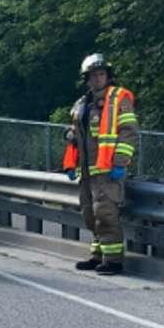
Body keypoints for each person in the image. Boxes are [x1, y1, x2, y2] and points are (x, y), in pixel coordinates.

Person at [62, 53, 138, 276]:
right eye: (93, 75)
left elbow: (129, 132)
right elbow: (76, 134)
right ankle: (98, 255)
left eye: (101, 74)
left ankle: (113, 260)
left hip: (108, 170)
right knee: (90, 214)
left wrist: (120, 162)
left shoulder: (118, 99)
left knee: (105, 214)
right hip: (87, 170)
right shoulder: (82, 104)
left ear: (108, 76)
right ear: (87, 78)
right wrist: (69, 146)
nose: (97, 79)